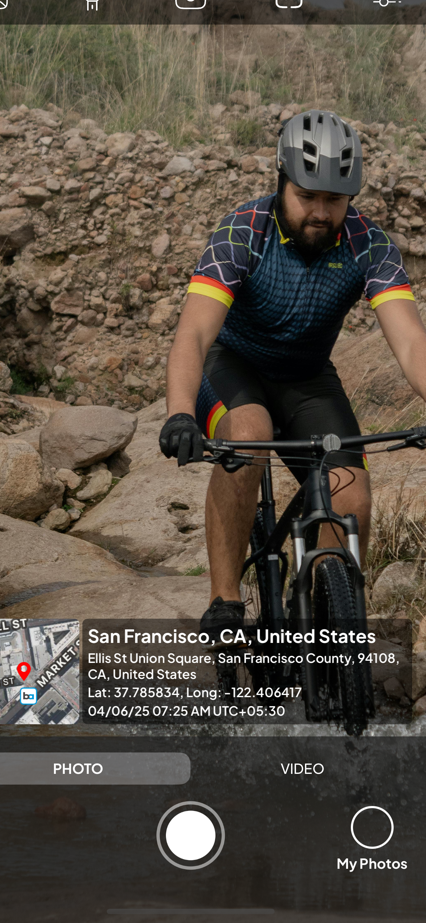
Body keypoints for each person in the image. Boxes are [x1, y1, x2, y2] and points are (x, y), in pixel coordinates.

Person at [159, 109, 426, 635]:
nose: (321, 213)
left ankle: (329, 627)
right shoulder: (243, 232)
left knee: (351, 496)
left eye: (334, 199)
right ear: (282, 182)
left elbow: (413, 344)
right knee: (251, 436)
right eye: (308, 196)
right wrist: (179, 415)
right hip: (233, 367)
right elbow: (192, 334)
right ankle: (225, 601)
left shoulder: (368, 245)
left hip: (307, 379)